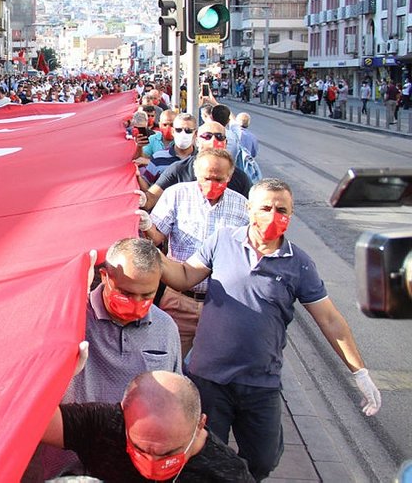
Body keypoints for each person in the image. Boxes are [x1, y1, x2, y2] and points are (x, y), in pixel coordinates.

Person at [160, 178, 382, 481]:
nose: (273, 215)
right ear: (250, 209)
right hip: (210, 378)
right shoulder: (222, 241)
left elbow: (329, 319)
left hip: (260, 383)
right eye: (266, 207)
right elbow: (184, 275)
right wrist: (151, 252)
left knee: (263, 460)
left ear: (291, 215)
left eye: (282, 209)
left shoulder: (299, 263)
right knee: (203, 458)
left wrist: (360, 372)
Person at [30, 239, 184, 480]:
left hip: (129, 463)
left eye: (147, 295)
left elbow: (174, 398)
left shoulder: (165, 328)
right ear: (104, 276)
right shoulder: (72, 318)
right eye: (126, 293)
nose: (136, 304)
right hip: (67, 461)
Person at [41, 370, 255, 482]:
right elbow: (31, 421)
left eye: (169, 453)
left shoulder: (227, 474)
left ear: (200, 425)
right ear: (124, 416)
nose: (152, 463)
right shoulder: (104, 425)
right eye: (139, 449)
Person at [140, 149, 249, 356]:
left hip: (222, 305)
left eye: (220, 179)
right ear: (197, 173)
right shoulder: (177, 195)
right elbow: (157, 237)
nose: (212, 183)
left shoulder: (242, 206)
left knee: (215, 371)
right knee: (169, 362)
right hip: (180, 301)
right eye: (207, 178)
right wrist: (146, 225)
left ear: (230, 176)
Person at [143, 121, 252, 210]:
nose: (213, 141)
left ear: (226, 143)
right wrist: (141, 199)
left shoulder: (240, 178)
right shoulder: (179, 170)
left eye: (219, 136)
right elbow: (151, 199)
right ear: (197, 141)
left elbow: (252, 208)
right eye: (207, 136)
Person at [141, 113, 197, 186]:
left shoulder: (202, 159)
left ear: (195, 134)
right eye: (178, 130)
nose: (183, 134)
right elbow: (146, 185)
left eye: (188, 131)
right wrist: (137, 175)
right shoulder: (158, 157)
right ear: (173, 132)